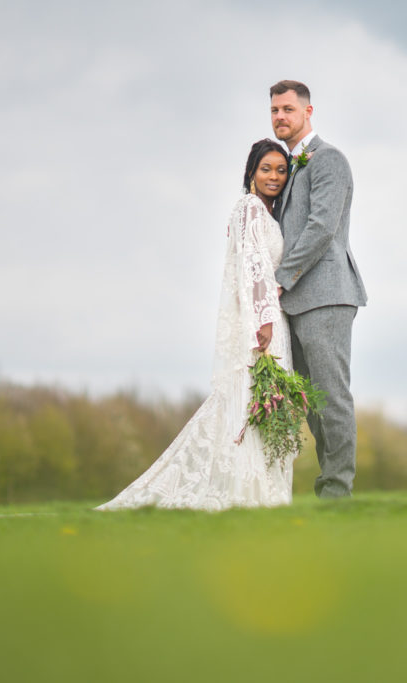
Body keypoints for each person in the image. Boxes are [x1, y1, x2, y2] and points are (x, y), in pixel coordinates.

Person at [96, 140, 294, 511]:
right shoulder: (249, 207)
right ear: (251, 172)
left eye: (281, 170)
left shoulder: (264, 212)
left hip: (271, 318)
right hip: (261, 322)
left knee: (263, 407)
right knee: (250, 407)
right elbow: (252, 267)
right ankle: (247, 494)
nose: (274, 177)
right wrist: (263, 321)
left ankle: (265, 493)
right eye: (266, 169)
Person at [270, 80, 367, 499]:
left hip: (326, 293)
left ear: (308, 112)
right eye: (274, 110)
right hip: (294, 299)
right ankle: (330, 485)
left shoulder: (328, 160)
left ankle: (337, 492)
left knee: (332, 397)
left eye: (288, 109)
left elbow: (322, 228)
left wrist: (279, 277)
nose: (280, 117)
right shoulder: (285, 165)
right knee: (311, 402)